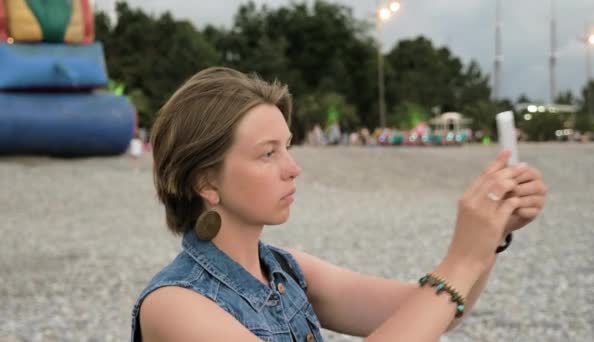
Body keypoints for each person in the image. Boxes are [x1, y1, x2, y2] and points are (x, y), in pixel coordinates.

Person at [131, 67, 547, 341]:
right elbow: (437, 300)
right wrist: (460, 258)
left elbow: (434, 314)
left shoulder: (285, 269)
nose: (293, 168)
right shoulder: (174, 306)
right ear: (205, 180)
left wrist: (492, 235)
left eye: (287, 147)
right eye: (268, 153)